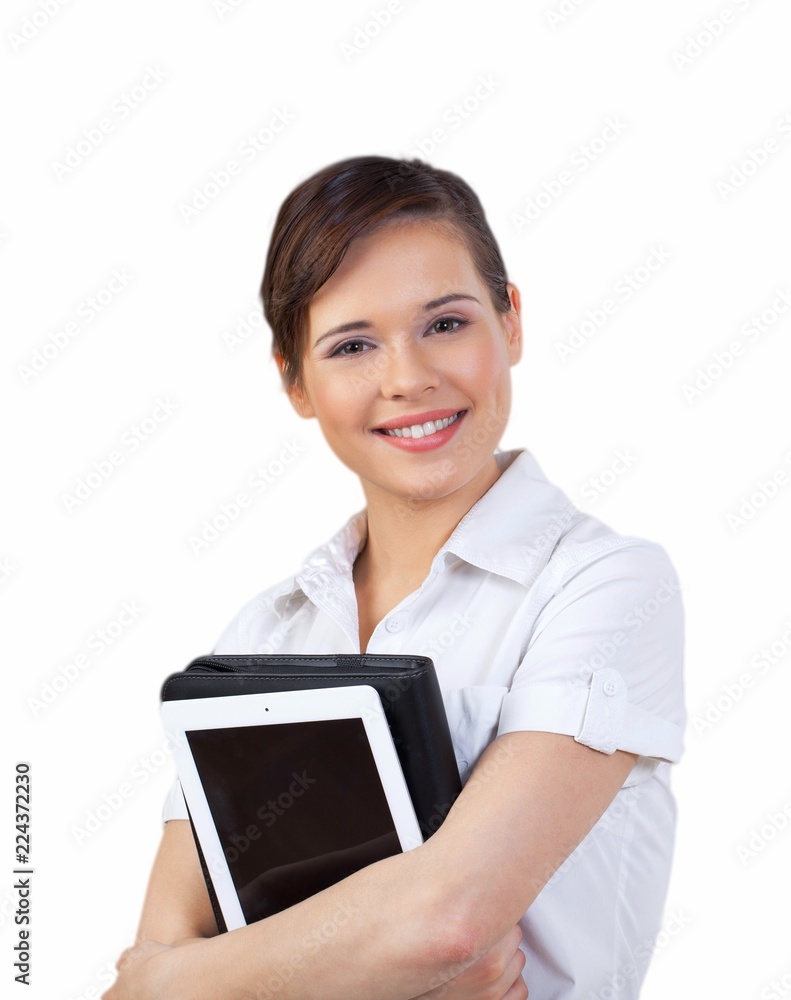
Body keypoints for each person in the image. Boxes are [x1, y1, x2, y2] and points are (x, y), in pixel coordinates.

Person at [104, 155, 685, 1000]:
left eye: (445, 323)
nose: (408, 378)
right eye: (351, 345)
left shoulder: (605, 585)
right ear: (294, 382)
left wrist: (178, 982)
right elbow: (148, 956)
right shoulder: (263, 635)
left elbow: (446, 921)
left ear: (510, 321)